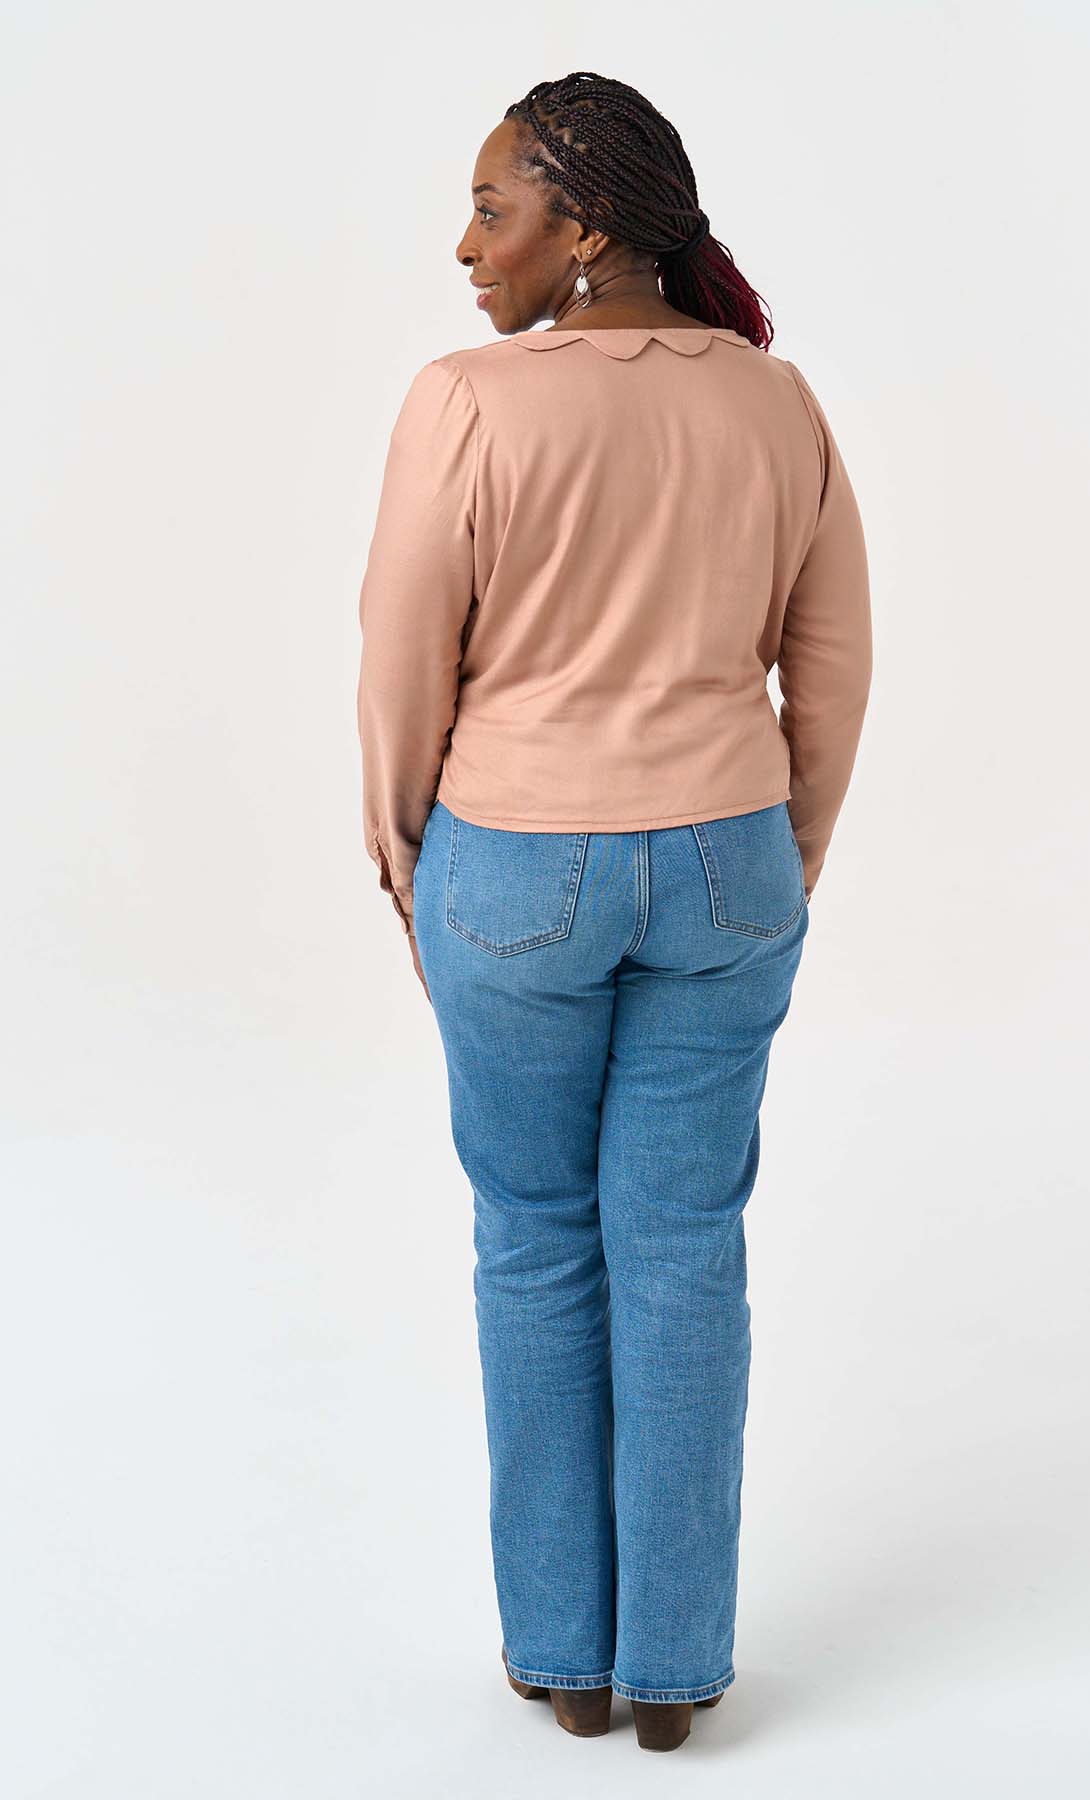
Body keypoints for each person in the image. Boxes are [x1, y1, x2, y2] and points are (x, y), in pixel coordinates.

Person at [355, 70, 872, 1754]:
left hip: (515, 860)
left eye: (491, 209)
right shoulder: (775, 402)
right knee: (683, 1248)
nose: (466, 246)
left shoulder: (469, 402)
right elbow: (832, 663)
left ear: (582, 227)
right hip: (728, 860)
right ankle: (673, 1673)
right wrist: (785, 855)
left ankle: (565, 1656)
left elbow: (402, 653)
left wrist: (406, 858)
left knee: (534, 1239)